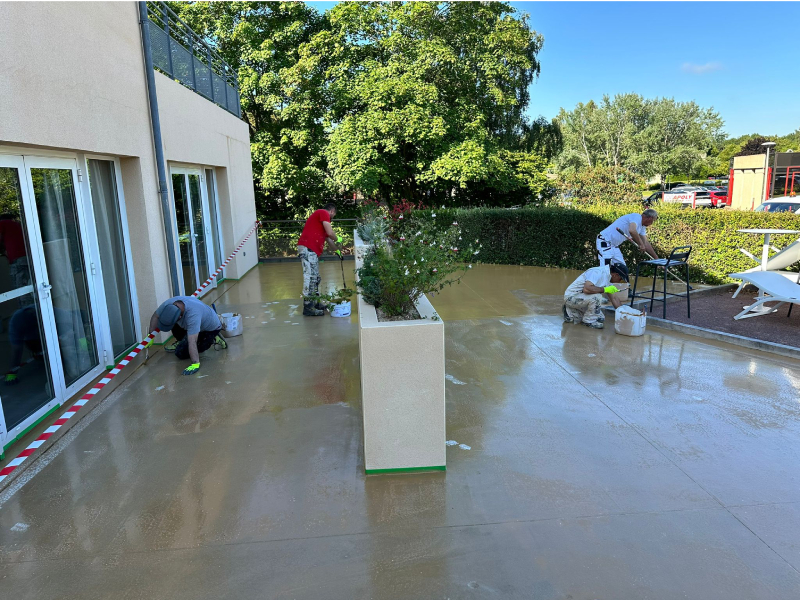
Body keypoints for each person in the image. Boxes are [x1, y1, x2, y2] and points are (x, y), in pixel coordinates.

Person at [148, 296, 227, 375]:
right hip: (195, 322)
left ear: (180, 317)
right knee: (175, 325)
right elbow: (156, 316)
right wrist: (150, 336)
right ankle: (181, 340)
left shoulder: (193, 315)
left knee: (180, 353)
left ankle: (214, 338)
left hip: (210, 328)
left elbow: (192, 341)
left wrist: (195, 363)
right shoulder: (168, 305)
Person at [297, 203, 341, 316]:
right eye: (334, 215)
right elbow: (331, 234)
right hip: (308, 248)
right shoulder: (323, 212)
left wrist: (337, 251)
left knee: (315, 278)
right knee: (310, 277)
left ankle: (315, 303)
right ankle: (308, 307)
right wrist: (338, 238)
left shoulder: (320, 221)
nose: (332, 217)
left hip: (311, 250)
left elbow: (328, 238)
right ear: (332, 211)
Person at [563, 262, 628, 329]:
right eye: (620, 279)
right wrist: (605, 289)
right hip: (571, 297)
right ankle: (588, 321)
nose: (619, 281)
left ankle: (570, 312)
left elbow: (614, 298)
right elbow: (586, 289)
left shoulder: (608, 279)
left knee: (600, 318)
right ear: (616, 275)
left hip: (581, 297)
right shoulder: (597, 272)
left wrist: (624, 313)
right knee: (597, 297)